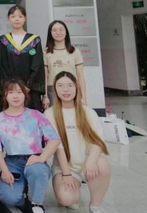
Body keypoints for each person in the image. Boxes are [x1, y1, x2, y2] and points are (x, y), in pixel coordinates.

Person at [44, 72, 111, 213]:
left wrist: (91, 161)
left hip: (87, 165)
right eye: (60, 86)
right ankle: (74, 191)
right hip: (64, 167)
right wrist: (67, 174)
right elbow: (58, 147)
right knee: (67, 199)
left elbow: (98, 141)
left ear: (76, 88)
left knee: (102, 165)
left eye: (70, 85)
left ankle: (95, 205)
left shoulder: (88, 112)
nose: (65, 89)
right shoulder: (50, 114)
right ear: (55, 89)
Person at [0, 79, 60, 213]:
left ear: (25, 95)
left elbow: (54, 139)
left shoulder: (36, 115)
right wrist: (4, 170)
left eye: (19, 92)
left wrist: (41, 158)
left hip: (34, 159)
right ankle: (22, 198)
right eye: (11, 92)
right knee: (10, 198)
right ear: (5, 95)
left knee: (37, 171)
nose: (15, 96)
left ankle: (37, 203)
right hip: (12, 162)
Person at [0, 6, 45, 110]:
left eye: (20, 16)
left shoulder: (34, 40)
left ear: (25, 18)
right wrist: (9, 86)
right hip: (10, 90)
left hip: (30, 89)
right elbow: (1, 66)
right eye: (13, 16)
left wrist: (28, 86)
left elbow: (37, 64)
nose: (17, 19)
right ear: (9, 19)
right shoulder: (2, 41)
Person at [43, 20, 86, 109]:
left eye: (61, 30)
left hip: (71, 87)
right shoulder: (46, 52)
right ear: (50, 33)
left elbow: (80, 76)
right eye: (54, 30)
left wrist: (84, 97)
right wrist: (45, 96)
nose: (58, 33)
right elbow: (45, 76)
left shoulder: (75, 51)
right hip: (53, 89)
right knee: (55, 114)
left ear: (66, 32)